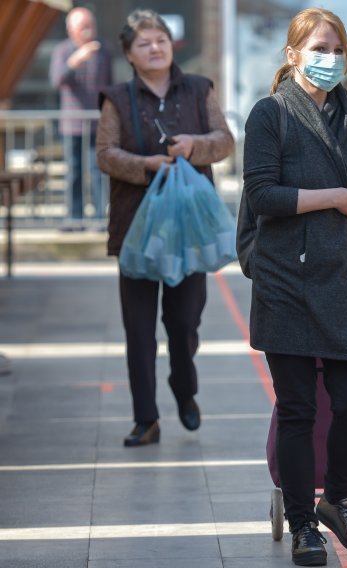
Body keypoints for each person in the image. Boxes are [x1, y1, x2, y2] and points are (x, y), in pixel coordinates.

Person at [241, 8, 347, 566]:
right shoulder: (269, 115)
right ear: (293, 54)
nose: (329, 58)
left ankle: (340, 500)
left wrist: (338, 202)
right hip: (287, 280)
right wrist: (331, 195)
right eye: (318, 48)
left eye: (336, 48)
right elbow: (262, 197)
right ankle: (304, 521)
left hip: (345, 275)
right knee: (298, 409)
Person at [95, 9, 234, 447]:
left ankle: (183, 385)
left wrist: (195, 146)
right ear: (129, 55)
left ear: (171, 44)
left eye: (160, 39)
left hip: (189, 232)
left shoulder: (198, 88)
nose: (154, 48)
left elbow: (225, 140)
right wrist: (145, 166)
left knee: (185, 324)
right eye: (143, 43)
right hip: (136, 229)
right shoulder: (117, 98)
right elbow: (105, 154)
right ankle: (146, 418)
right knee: (138, 330)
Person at [50, 7, 113, 230]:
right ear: (71, 30)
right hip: (72, 124)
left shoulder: (103, 50)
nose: (88, 31)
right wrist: (76, 59)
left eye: (90, 25)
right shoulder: (63, 50)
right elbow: (57, 80)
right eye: (83, 27)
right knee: (74, 172)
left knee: (98, 171)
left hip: (97, 122)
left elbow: (109, 84)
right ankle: (74, 217)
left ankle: (98, 217)